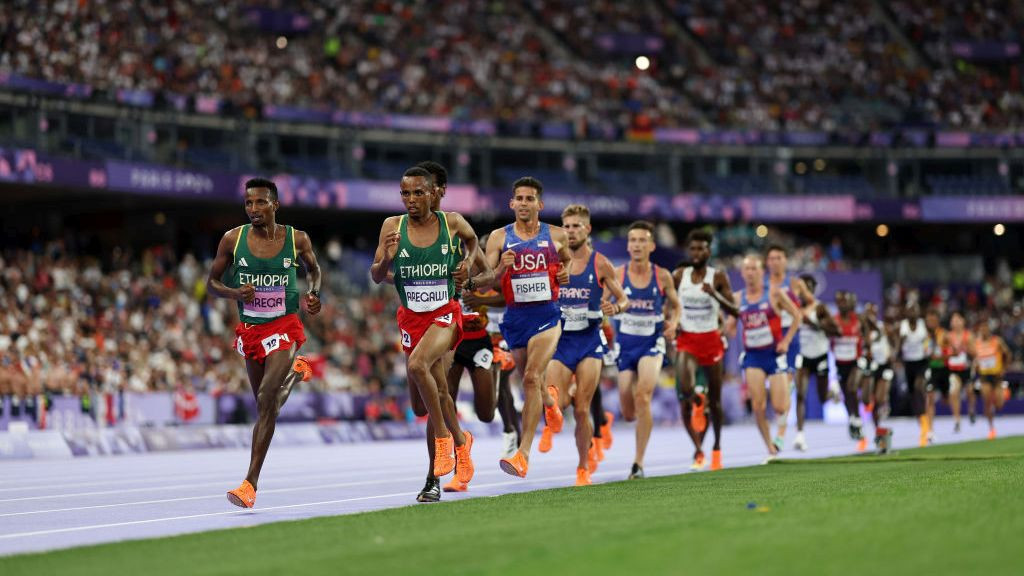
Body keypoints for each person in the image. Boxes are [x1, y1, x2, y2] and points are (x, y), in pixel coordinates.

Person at [370, 166, 494, 501]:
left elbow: (477, 253)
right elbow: (377, 274)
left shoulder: (450, 223)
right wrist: (387, 261)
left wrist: (468, 267)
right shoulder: (391, 227)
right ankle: (461, 442)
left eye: (418, 193)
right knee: (429, 396)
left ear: (434, 193)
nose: (411, 200)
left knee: (418, 367)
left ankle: (441, 448)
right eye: (405, 193)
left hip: (446, 316)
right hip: (412, 319)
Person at [207, 178, 322, 509]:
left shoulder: (297, 238)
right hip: (250, 330)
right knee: (266, 406)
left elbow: (315, 271)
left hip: (284, 325)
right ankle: (298, 374)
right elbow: (211, 282)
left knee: (265, 395)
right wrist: (234, 293)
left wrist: (314, 293)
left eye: (260, 203)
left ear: (275, 205)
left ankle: (249, 484)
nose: (253, 209)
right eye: (248, 203)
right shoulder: (233, 239)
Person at [486, 176, 572, 478]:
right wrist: (501, 268)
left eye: (530, 198)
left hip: (547, 315)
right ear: (512, 203)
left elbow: (568, 260)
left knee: (532, 376)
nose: (524, 203)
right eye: (519, 198)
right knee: (529, 381)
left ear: (540, 204)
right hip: (514, 318)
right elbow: (487, 281)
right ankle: (550, 401)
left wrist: (565, 274)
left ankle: (522, 455)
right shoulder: (498, 238)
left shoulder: (557, 235)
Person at [541, 204, 629, 486]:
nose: (571, 231)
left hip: (590, 342)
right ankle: (557, 411)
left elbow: (623, 298)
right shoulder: (552, 260)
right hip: (561, 342)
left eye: (576, 226)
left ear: (587, 229)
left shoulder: (600, 263)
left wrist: (616, 308)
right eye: (566, 226)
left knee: (581, 409)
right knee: (558, 401)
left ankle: (583, 468)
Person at [614, 221, 681, 480]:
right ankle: (634, 421)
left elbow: (676, 305)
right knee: (629, 410)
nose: (637, 245)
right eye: (633, 240)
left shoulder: (662, 275)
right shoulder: (618, 275)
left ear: (651, 246)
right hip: (625, 344)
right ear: (628, 246)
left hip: (651, 343)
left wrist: (673, 323)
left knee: (643, 396)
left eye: (642, 240)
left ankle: (638, 462)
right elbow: (602, 303)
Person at [724, 254, 802, 462]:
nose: (750, 273)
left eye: (754, 269)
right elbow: (730, 327)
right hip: (752, 357)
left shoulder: (774, 294)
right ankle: (770, 445)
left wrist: (786, 341)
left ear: (762, 272)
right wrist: (724, 329)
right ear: (742, 273)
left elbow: (797, 316)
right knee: (757, 405)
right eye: (746, 269)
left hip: (774, 354)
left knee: (778, 406)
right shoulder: (738, 298)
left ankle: (786, 397)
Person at [673, 228, 733, 471]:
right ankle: (698, 447)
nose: (696, 253)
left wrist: (716, 296)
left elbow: (733, 311)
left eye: (701, 248)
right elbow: (670, 305)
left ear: (709, 250)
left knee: (715, 402)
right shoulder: (679, 276)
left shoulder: (717, 277)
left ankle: (716, 447)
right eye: (692, 249)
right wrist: (672, 321)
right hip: (687, 341)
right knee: (686, 395)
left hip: (710, 342)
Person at [765, 245, 814, 436]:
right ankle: (779, 416)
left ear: (785, 260)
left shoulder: (794, 283)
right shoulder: (765, 284)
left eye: (778, 257)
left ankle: (781, 431)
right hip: (769, 336)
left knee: (785, 382)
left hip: (790, 336)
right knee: (773, 383)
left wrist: (800, 314)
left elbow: (811, 302)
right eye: (771, 258)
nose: (774, 261)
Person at [793, 274, 838, 451]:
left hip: (820, 356)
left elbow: (835, 330)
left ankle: (832, 391)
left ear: (810, 289)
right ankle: (800, 435)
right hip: (803, 356)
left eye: (803, 288)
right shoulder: (794, 307)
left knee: (821, 398)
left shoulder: (820, 308)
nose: (800, 293)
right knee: (800, 395)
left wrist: (813, 322)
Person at [832, 291, 870, 451]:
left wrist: (866, 345)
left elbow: (868, 331)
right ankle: (854, 418)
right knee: (846, 394)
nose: (842, 304)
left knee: (852, 387)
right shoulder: (833, 321)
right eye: (838, 302)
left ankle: (856, 418)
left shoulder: (859, 318)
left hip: (856, 360)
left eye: (844, 302)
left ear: (850, 303)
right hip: (840, 362)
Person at [863, 301, 896, 453]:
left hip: (884, 365)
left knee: (881, 397)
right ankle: (879, 432)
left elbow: (894, 339)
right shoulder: (863, 332)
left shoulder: (882, 327)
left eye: (872, 312)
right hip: (871, 367)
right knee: (871, 401)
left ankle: (886, 402)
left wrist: (893, 352)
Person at [973, 317, 1011, 439]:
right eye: (981, 328)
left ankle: (994, 403)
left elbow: (1008, 354)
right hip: (984, 376)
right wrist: (976, 366)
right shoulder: (977, 343)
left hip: (997, 376)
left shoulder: (997, 341)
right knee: (987, 401)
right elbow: (976, 358)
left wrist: (1004, 368)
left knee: (999, 404)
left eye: (985, 328)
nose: (983, 330)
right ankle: (991, 428)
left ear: (989, 329)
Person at [898, 303, 930, 446]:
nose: (913, 313)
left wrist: (928, 347)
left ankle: (924, 423)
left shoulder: (923, 325)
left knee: (918, 387)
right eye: (910, 311)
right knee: (913, 394)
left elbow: (928, 339)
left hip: (921, 362)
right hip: (909, 364)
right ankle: (922, 419)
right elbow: (901, 341)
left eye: (915, 311)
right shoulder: (904, 325)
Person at [942, 311, 973, 433]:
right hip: (954, 370)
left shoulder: (968, 336)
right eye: (953, 320)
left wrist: (965, 348)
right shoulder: (947, 336)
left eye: (957, 319)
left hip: (966, 368)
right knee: (953, 393)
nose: (955, 322)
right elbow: (943, 352)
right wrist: (951, 352)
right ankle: (957, 420)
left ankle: (971, 409)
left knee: (970, 391)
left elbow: (975, 353)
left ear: (963, 321)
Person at [924, 309, 946, 445]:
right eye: (928, 321)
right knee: (929, 398)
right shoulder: (923, 335)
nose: (931, 323)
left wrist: (942, 355)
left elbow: (952, 350)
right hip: (930, 369)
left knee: (947, 399)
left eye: (933, 320)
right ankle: (930, 431)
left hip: (943, 369)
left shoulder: (944, 335)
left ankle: (957, 424)